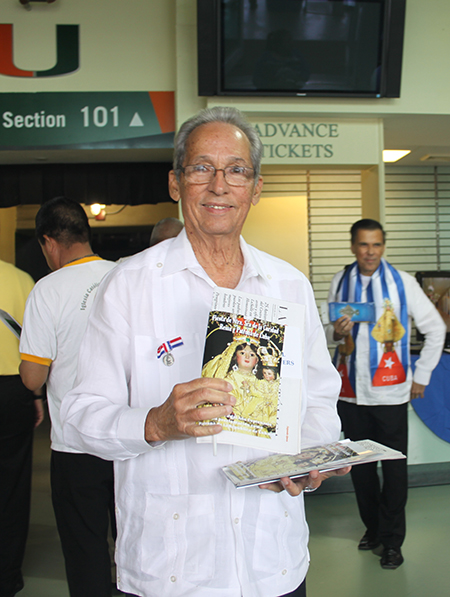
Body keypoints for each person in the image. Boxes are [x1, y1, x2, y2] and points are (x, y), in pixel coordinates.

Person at [61, 106, 349, 597]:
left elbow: (319, 397)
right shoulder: (129, 286)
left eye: (236, 170)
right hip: (172, 568)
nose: (220, 185)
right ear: (176, 183)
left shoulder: (287, 285)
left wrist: (308, 456)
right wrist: (153, 424)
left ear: (255, 188)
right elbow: (78, 416)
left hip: (273, 562)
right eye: (201, 168)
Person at [326, 218, 446, 570]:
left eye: (376, 245)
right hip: (350, 394)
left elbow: (436, 329)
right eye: (363, 245)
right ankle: (374, 530)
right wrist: (336, 331)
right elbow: (331, 333)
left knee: (394, 471)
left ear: (383, 246)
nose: (370, 252)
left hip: (390, 395)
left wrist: (421, 375)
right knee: (361, 470)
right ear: (352, 246)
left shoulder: (403, 283)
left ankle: (393, 542)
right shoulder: (340, 281)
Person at [19, 197, 117, 597]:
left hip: (76, 446)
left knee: (85, 550)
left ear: (48, 242)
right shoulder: (124, 276)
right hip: (132, 439)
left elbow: (32, 378)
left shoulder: (47, 289)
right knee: (139, 544)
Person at [0, 259, 42, 597]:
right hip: (12, 391)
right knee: (12, 485)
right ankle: (6, 576)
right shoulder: (20, 279)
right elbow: (33, 345)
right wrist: (37, 395)